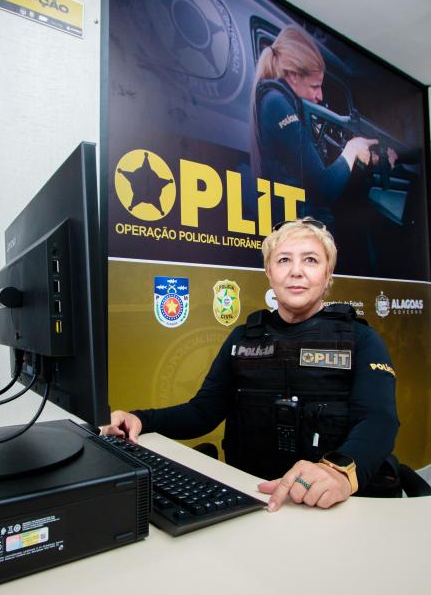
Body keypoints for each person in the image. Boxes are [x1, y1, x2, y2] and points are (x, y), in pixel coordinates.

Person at [102, 218, 399, 510]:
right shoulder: (242, 337)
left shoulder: (360, 339)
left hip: (327, 506)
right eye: (283, 260)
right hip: (253, 499)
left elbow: (378, 421)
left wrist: (338, 472)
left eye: (310, 260)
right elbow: (202, 412)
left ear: (328, 273)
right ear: (269, 272)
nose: (296, 271)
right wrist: (140, 419)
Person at [250, 26, 377, 227]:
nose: (320, 96)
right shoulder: (276, 103)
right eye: (315, 86)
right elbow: (323, 188)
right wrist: (352, 149)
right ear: (294, 76)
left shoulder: (281, 103)